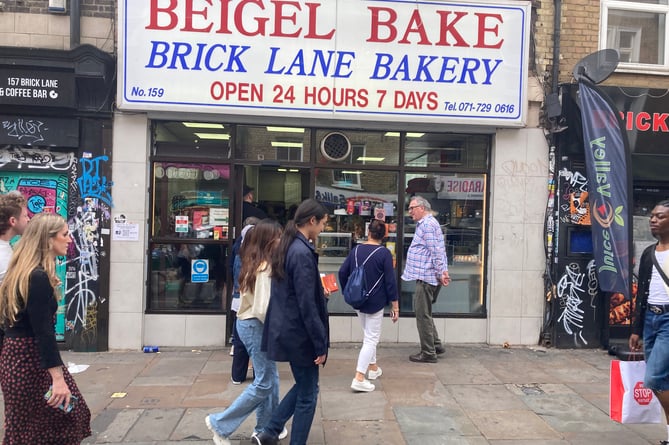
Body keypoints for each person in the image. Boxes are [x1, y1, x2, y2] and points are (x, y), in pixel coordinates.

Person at [0, 212, 91, 443]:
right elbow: (44, 332)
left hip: (17, 359)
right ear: (48, 240)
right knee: (68, 418)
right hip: (31, 361)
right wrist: (58, 379)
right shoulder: (36, 277)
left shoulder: (23, 272)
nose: (70, 239)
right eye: (65, 234)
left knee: (28, 428)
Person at [253, 199, 330, 445]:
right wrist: (320, 344)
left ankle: (270, 432)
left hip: (289, 329)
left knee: (305, 385)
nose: (323, 229)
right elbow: (306, 304)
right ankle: (283, 437)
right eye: (323, 224)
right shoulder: (301, 252)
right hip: (299, 333)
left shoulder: (289, 246)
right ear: (311, 221)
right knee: (308, 394)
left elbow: (296, 295)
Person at [206, 219, 286, 445]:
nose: (281, 241)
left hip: (250, 324)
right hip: (256, 325)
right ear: (270, 240)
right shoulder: (265, 267)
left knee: (270, 378)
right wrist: (279, 329)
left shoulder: (255, 261)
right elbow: (263, 309)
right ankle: (220, 424)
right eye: (278, 237)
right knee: (264, 382)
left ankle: (266, 428)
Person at [339, 219, 399, 393]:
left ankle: (373, 368)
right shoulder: (384, 253)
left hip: (358, 300)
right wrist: (395, 305)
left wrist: (347, 291)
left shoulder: (356, 250)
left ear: (369, 232)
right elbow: (390, 282)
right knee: (371, 339)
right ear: (384, 235)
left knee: (368, 335)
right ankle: (359, 376)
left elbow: (343, 272)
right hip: (375, 302)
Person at [629, 199, 669, 445]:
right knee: (662, 381)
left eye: (660, 216)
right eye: (652, 216)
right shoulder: (649, 253)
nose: (653, 220)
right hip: (650, 320)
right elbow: (640, 294)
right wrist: (636, 329)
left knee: (654, 378)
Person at [401, 196, 450, 363]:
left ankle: (428, 352)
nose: (410, 211)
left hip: (426, 276)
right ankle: (435, 345)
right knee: (426, 312)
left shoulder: (428, 224)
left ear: (422, 207)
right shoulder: (429, 223)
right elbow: (438, 250)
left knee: (422, 314)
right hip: (429, 274)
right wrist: (442, 272)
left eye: (412, 207)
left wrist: (441, 272)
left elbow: (435, 251)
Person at [229, 216, 261, 384]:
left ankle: (237, 375)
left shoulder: (238, 252)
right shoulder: (258, 257)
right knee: (257, 343)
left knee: (239, 340)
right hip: (251, 302)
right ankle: (257, 375)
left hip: (239, 299)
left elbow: (233, 272)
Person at [0, 191, 30, 282]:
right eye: (25, 216)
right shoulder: (3, 256)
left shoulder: (5, 247)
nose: (28, 220)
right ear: (13, 221)